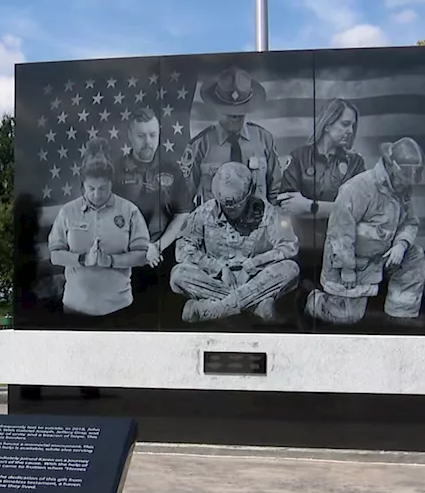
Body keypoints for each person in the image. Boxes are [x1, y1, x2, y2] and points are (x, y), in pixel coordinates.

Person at [300, 137, 425, 325]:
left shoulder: (402, 189)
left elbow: (410, 222)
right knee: (347, 316)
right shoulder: (359, 187)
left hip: (383, 256)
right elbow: (339, 231)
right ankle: (310, 298)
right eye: (407, 173)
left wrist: (401, 245)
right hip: (352, 261)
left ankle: (400, 317)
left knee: (416, 256)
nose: (410, 180)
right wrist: (347, 268)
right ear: (393, 166)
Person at [169, 162, 300, 323]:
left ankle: (216, 308)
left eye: (236, 205)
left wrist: (252, 265)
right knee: (178, 274)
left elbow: (289, 246)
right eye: (224, 205)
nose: (229, 210)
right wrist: (218, 268)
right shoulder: (203, 212)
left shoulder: (268, 212)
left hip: (256, 278)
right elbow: (183, 248)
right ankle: (255, 305)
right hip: (217, 280)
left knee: (291, 269)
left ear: (249, 194)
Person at [47, 136, 151, 317]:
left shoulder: (129, 211)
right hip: (75, 307)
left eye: (102, 189)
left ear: (112, 184)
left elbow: (142, 256)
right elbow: (55, 256)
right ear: (82, 186)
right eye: (91, 188)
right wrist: (83, 259)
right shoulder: (67, 212)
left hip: (119, 308)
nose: (96, 194)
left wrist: (111, 261)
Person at [114, 107, 195, 304]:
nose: (148, 142)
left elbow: (182, 214)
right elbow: (110, 219)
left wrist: (157, 247)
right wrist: (141, 249)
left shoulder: (171, 168)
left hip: (165, 253)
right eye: (141, 135)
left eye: (153, 135)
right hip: (128, 257)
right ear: (130, 136)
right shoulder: (116, 171)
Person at [179, 66, 283, 206]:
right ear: (217, 108)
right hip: (215, 225)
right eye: (229, 114)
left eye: (239, 114)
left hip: (257, 224)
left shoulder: (264, 140)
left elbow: (276, 192)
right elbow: (186, 197)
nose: (234, 119)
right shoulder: (200, 145)